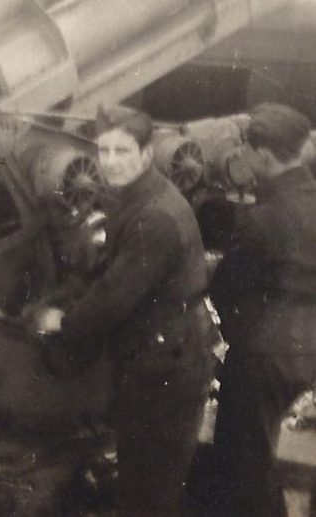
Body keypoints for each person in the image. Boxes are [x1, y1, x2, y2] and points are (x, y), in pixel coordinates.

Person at [25, 105, 216, 516]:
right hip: (160, 358)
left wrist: (62, 320)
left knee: (149, 492)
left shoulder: (155, 217)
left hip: (165, 371)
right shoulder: (140, 196)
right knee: (143, 482)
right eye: (104, 151)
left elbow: (114, 297)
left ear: (147, 154)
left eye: (122, 151)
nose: (110, 162)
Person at [210, 103, 316, 517]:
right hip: (306, 346)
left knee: (244, 463)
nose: (243, 158)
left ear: (265, 156)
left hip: (264, 355)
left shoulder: (262, 220)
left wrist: (242, 338)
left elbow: (223, 288)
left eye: (247, 150)